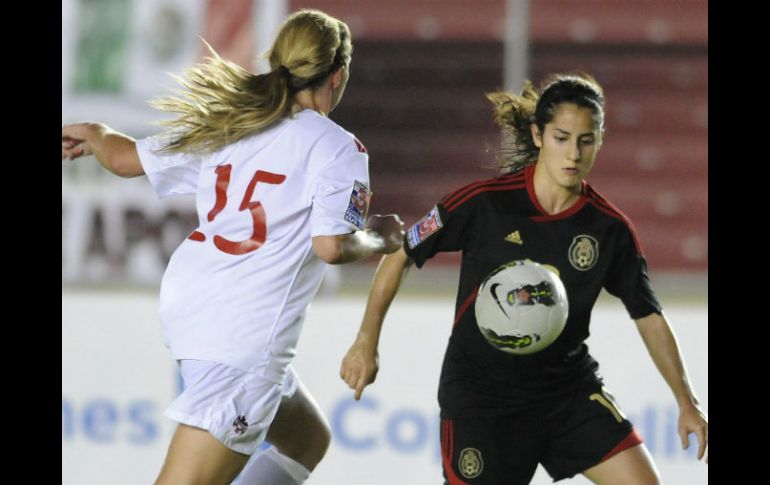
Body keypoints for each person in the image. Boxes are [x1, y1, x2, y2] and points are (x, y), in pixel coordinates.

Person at [62, 9, 404, 485]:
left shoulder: (239, 120)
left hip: (193, 310)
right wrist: (381, 236)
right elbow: (330, 246)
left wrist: (98, 135)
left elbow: (124, 159)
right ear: (338, 76)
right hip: (243, 336)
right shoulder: (337, 146)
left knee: (306, 438)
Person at [339, 72, 708, 484]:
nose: (573, 153)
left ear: (601, 139)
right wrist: (365, 341)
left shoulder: (609, 229)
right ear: (538, 135)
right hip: (483, 400)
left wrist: (686, 400)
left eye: (586, 140)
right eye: (561, 138)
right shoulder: (483, 204)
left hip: (565, 394)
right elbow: (402, 252)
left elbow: (648, 315)